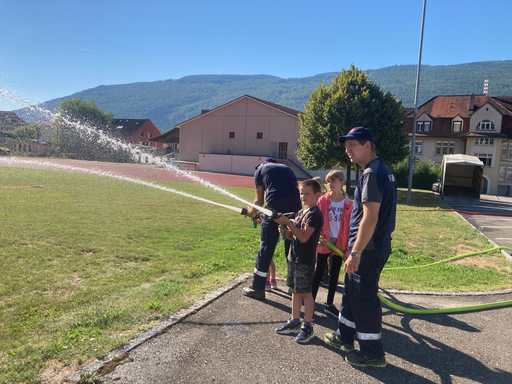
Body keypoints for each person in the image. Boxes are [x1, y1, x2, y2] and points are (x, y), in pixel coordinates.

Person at [324, 127, 397, 368]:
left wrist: (355, 252)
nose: (347, 151)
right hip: (370, 246)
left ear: (367, 145)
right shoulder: (382, 169)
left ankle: (373, 353)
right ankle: (343, 336)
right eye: (346, 146)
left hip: (367, 248)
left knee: (364, 300)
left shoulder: (372, 173)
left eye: (352, 145)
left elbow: (370, 217)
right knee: (352, 294)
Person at [242, 157, 302, 300]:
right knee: (292, 242)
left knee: (266, 245)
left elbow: (259, 201)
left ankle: (257, 287)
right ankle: (294, 286)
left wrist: (252, 213)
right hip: (296, 207)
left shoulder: (260, 170)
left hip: (275, 205)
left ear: (262, 164)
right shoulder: (287, 169)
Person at [273, 179, 324, 343]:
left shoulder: (315, 214)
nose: (303, 196)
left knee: (306, 294)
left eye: (307, 193)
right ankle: (295, 321)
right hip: (293, 257)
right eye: (301, 193)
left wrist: (288, 222)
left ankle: (308, 326)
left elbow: (303, 237)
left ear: (317, 195)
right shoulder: (302, 213)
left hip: (305, 260)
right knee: (294, 290)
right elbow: (292, 236)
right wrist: (285, 229)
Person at [312, 170, 353, 318]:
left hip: (340, 242)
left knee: (335, 273)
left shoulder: (349, 204)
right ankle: (311, 302)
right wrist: (320, 236)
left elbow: (351, 226)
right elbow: (314, 217)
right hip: (324, 241)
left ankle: (329, 303)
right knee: (319, 272)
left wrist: (349, 247)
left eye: (333, 181)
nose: (329, 184)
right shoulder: (322, 200)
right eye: (328, 182)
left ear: (341, 183)